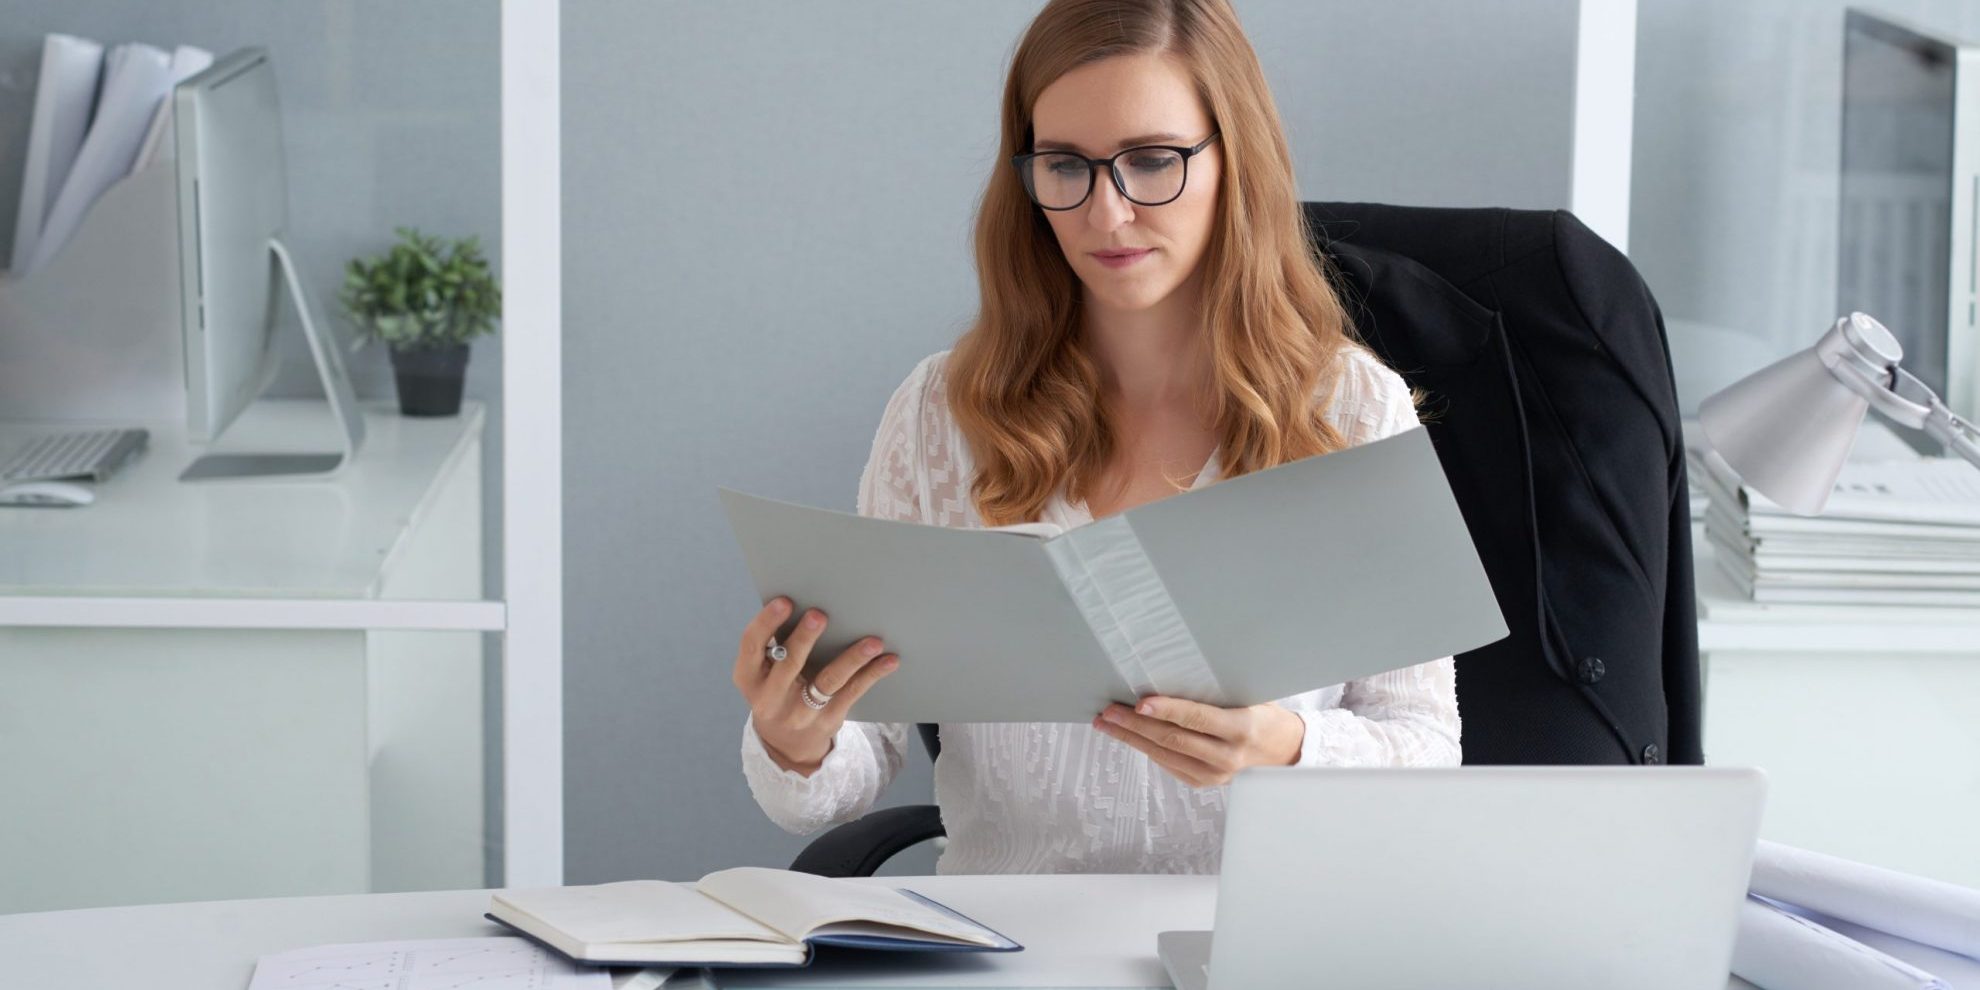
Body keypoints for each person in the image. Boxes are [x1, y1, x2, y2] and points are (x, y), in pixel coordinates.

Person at [730, 0, 1459, 875]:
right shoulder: (940, 414)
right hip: (1010, 936)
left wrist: (1285, 749)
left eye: (1152, 161)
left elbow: (1427, 746)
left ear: (1236, 160)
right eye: (1065, 166)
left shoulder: (1352, 411)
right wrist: (794, 738)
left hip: (1258, 932)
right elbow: (853, 765)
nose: (1106, 215)